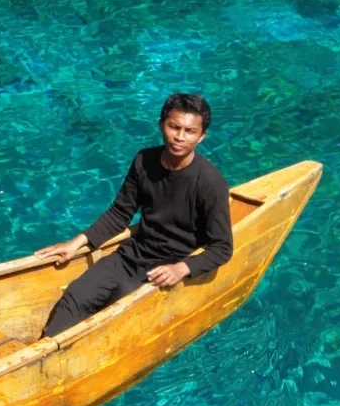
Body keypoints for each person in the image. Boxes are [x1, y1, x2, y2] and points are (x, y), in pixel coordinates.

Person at [36, 93, 233, 339]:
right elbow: (120, 213)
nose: (180, 137)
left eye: (190, 131)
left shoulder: (210, 183)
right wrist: (76, 243)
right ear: (161, 124)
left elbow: (222, 248)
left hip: (168, 264)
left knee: (119, 305)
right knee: (77, 293)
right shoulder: (144, 160)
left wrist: (183, 268)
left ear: (201, 137)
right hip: (133, 254)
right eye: (174, 127)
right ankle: (46, 347)